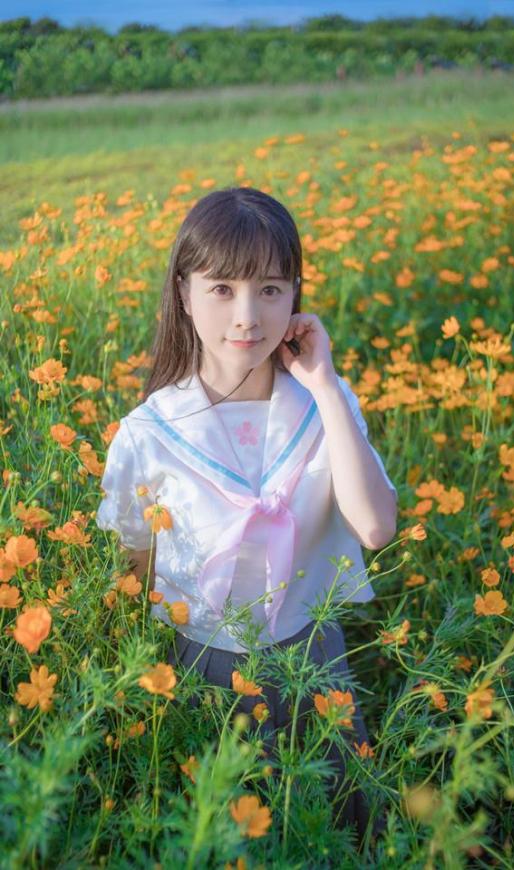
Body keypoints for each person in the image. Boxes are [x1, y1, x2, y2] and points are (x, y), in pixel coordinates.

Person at [95, 186, 398, 849]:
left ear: (296, 296)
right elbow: (135, 565)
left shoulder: (322, 404)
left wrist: (324, 384)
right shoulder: (149, 433)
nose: (247, 315)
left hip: (315, 655)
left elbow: (376, 528)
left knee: (338, 830)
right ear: (183, 293)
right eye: (222, 289)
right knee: (232, 839)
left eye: (270, 289)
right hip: (203, 665)